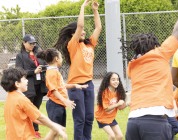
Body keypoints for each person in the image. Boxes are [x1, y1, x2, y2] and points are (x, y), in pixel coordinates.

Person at [124, 0, 178, 140]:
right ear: (154, 45)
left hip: (132, 121)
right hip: (154, 120)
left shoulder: (132, 66)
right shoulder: (161, 53)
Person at [54, 0, 102, 139]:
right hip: (76, 86)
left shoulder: (89, 44)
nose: (83, 31)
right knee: (80, 118)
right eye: (79, 31)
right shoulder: (73, 45)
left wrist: (95, 10)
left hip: (89, 84)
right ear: (73, 34)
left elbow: (98, 28)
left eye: (83, 31)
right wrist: (82, 7)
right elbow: (80, 25)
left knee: (89, 117)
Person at [1, 67, 67, 140]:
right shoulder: (21, 99)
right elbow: (40, 117)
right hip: (23, 137)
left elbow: (34, 118)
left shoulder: (10, 97)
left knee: (54, 130)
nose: (27, 81)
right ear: (17, 84)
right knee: (54, 130)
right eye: (24, 79)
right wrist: (55, 127)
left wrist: (54, 126)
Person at [37, 48, 88, 139]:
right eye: (61, 57)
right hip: (55, 105)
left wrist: (75, 86)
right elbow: (54, 90)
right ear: (56, 59)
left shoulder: (55, 71)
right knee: (55, 130)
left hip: (59, 105)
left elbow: (61, 85)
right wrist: (65, 100)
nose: (62, 59)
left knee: (59, 130)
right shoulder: (51, 72)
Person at [15, 34, 48, 138]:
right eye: (30, 43)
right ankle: (28, 130)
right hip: (29, 86)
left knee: (36, 109)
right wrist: (33, 71)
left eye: (34, 43)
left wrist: (44, 67)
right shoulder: (20, 56)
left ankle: (35, 131)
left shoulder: (39, 53)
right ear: (24, 43)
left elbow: (46, 63)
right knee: (28, 110)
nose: (32, 45)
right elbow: (19, 71)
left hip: (40, 85)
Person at [95, 72, 127, 140]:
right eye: (113, 79)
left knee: (120, 136)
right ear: (108, 81)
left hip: (111, 117)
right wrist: (118, 104)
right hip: (102, 117)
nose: (116, 81)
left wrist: (127, 104)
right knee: (112, 135)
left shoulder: (118, 92)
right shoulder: (105, 92)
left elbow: (120, 107)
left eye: (117, 79)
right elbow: (106, 109)